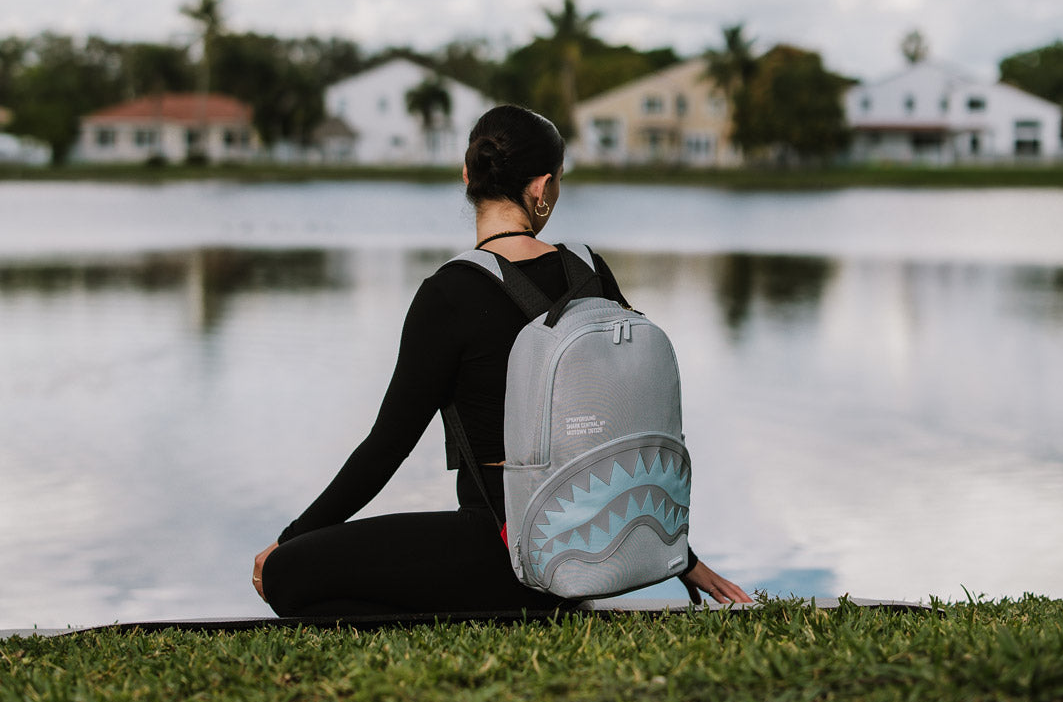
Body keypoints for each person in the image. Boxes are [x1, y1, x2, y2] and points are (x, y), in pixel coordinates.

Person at [253, 104, 751, 616]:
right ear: (542, 187)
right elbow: (629, 423)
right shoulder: (589, 271)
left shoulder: (447, 293)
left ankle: (463, 617)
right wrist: (680, 554)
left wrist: (288, 541)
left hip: (500, 554)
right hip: (589, 555)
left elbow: (387, 447)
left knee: (287, 574)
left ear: (468, 175)